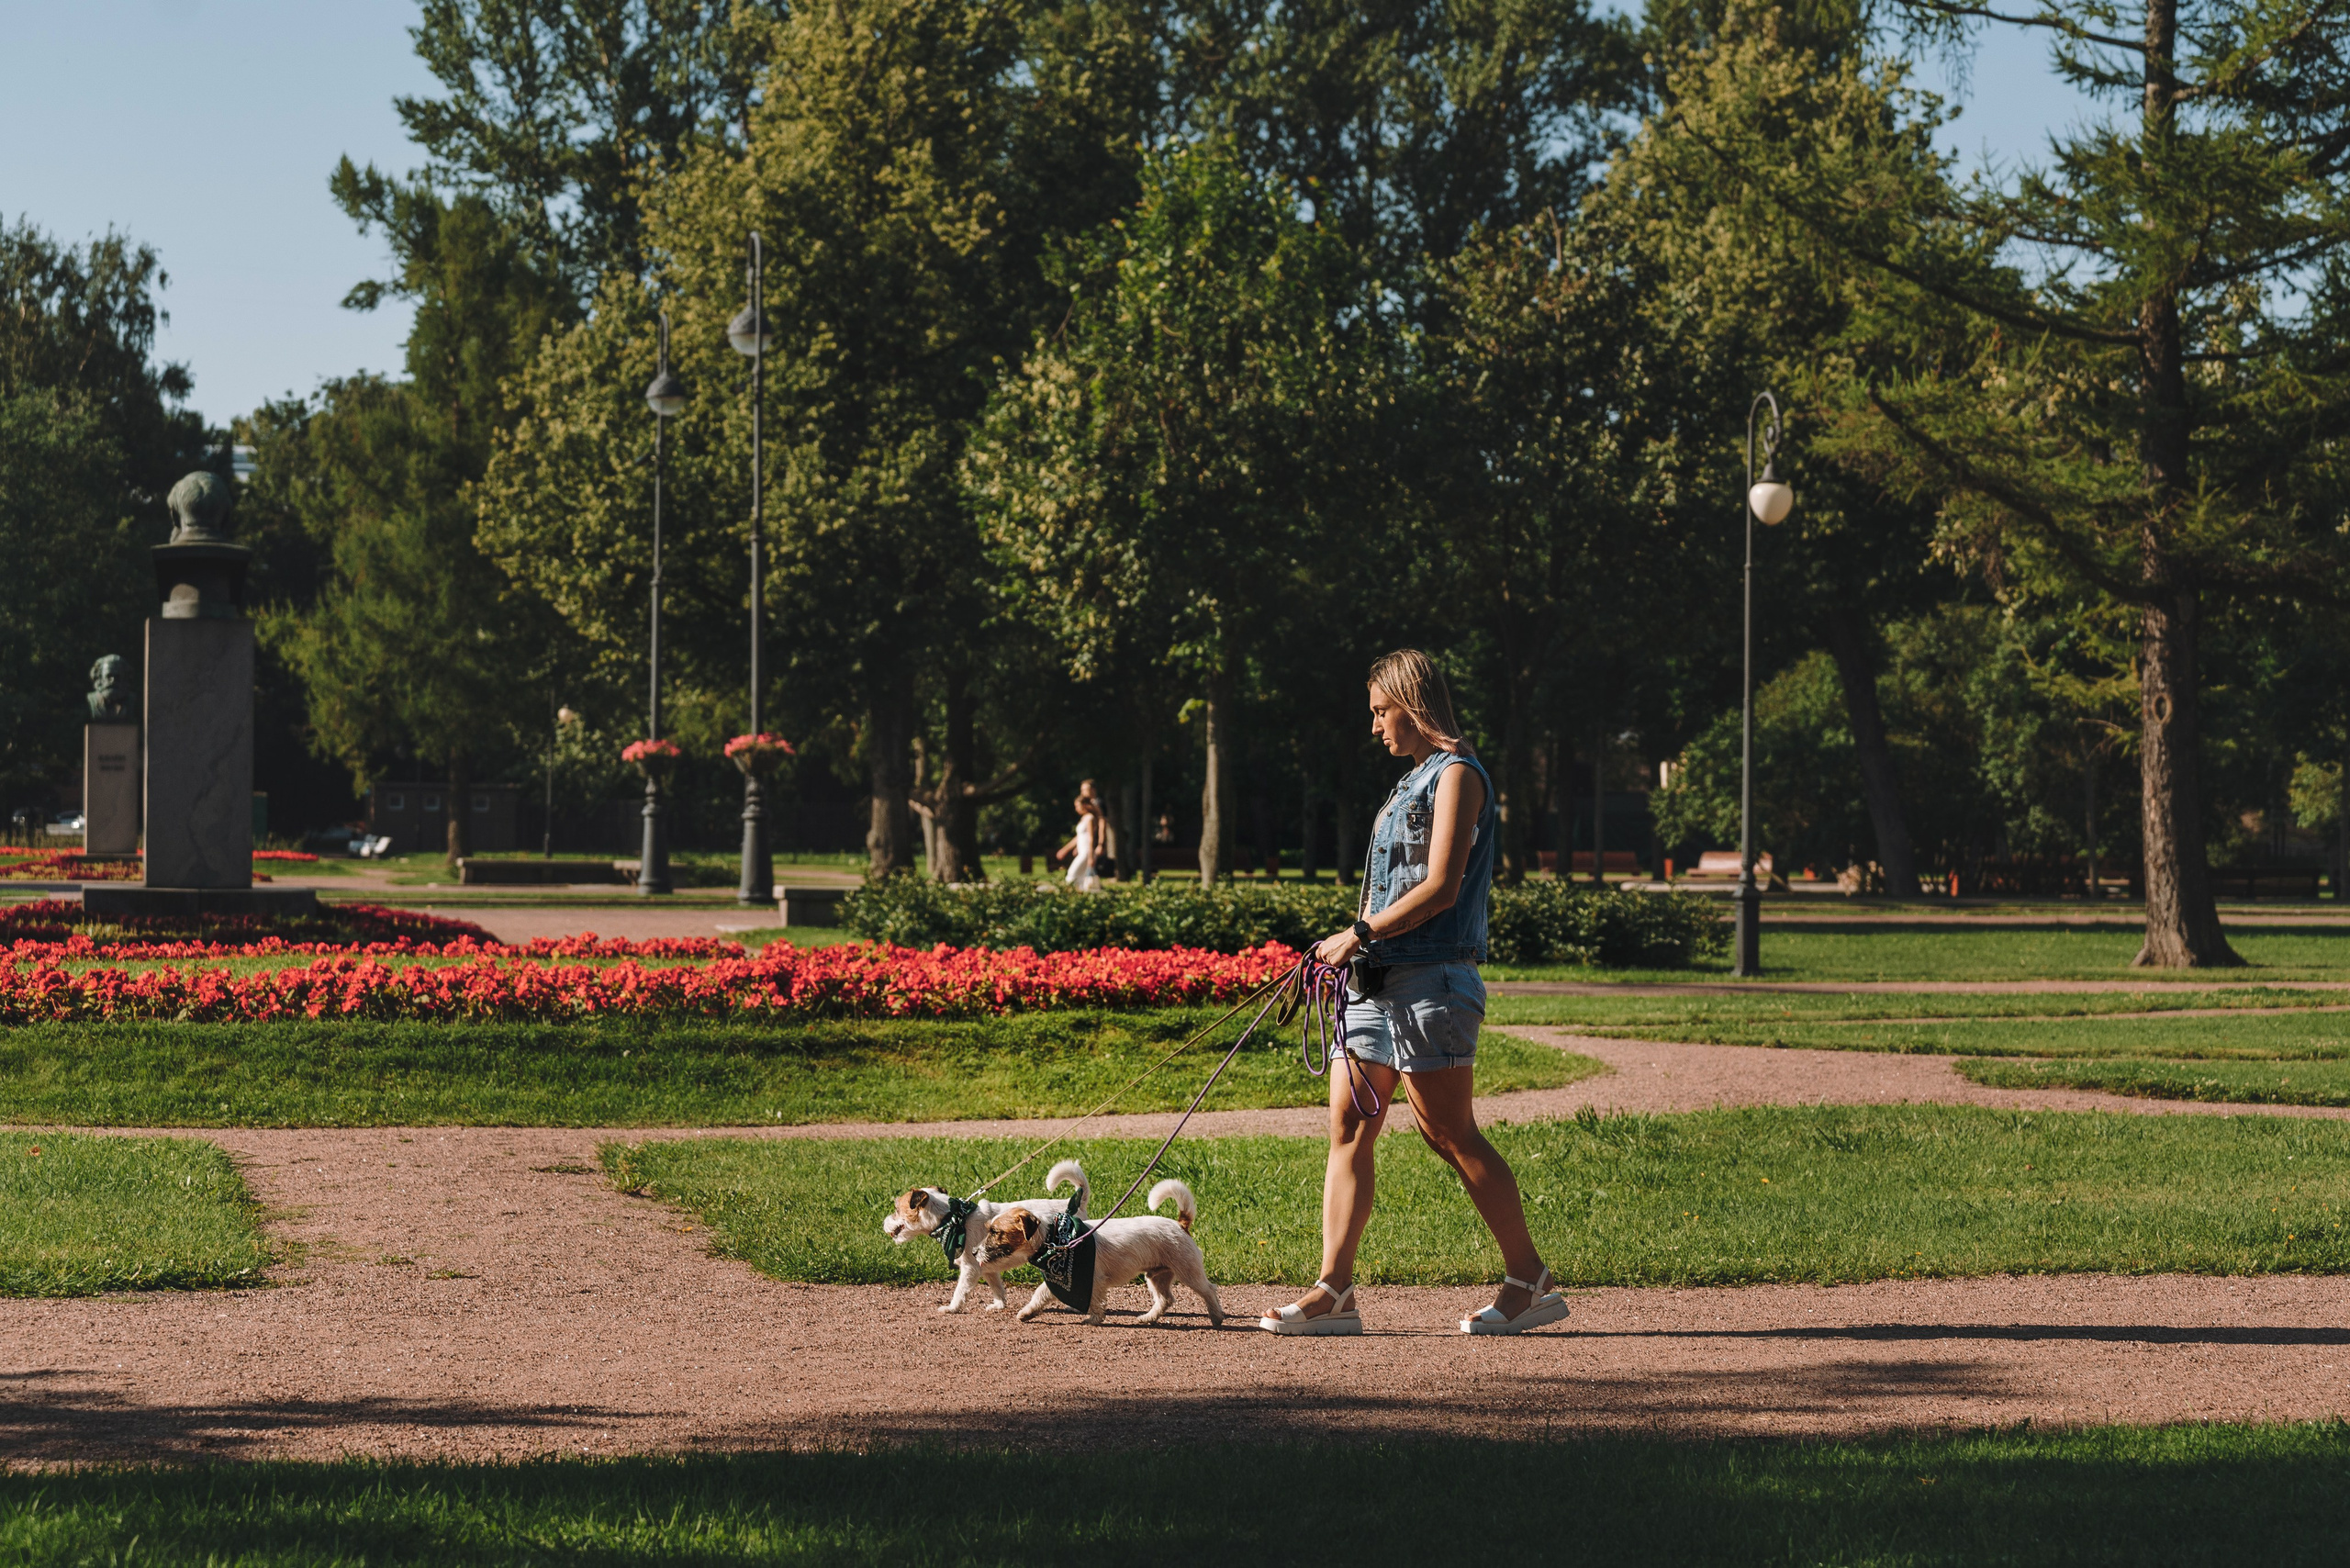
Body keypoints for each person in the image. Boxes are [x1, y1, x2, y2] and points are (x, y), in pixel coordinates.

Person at [1259, 649, 1568, 1337]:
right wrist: (1357, 948)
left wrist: (1356, 933)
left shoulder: (1457, 774)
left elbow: (1442, 887)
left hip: (1434, 982)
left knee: (1449, 1132)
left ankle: (1531, 1280)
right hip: (1376, 984)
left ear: (1411, 703)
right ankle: (1333, 1292)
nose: (1374, 727)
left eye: (1379, 711)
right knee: (1347, 1125)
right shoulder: (1411, 782)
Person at [1054, 782, 1107, 891]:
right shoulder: (1085, 818)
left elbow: (1092, 837)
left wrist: (1098, 848)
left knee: (1072, 876)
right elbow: (1081, 836)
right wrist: (1069, 848)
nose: (1076, 809)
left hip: (1087, 852)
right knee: (1081, 879)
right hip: (1083, 851)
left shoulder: (1092, 816)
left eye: (1085, 790)